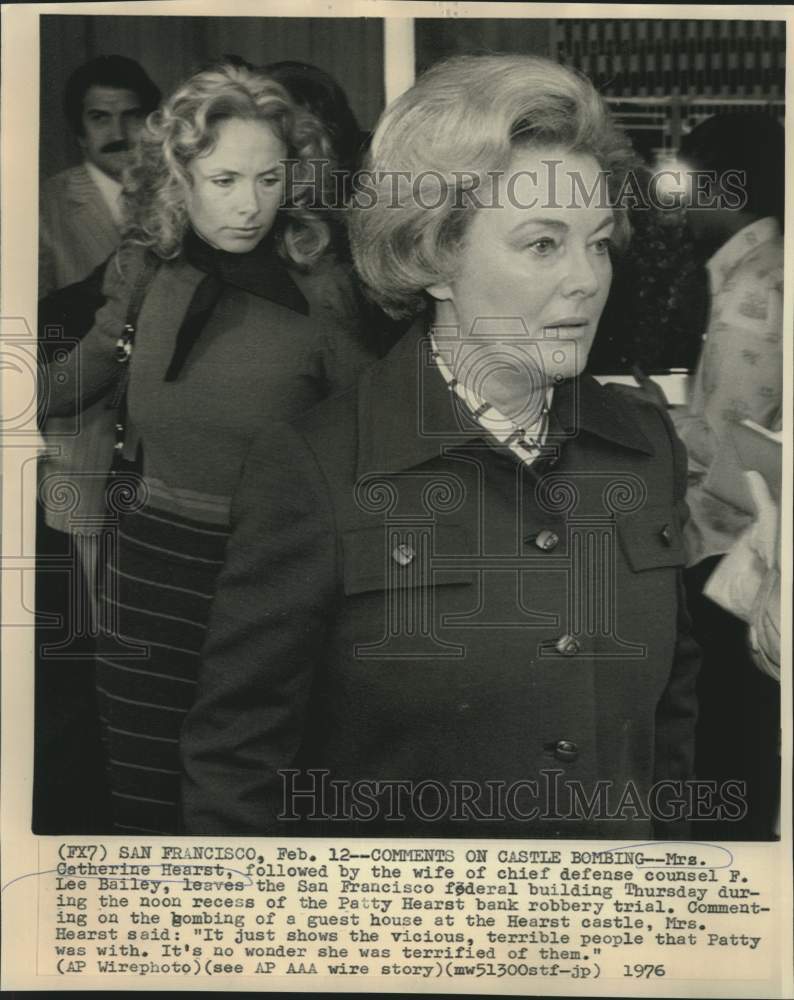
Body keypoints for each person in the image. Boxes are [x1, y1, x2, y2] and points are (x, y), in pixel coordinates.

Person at [182, 54, 701, 839]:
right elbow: (235, 774)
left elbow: (669, 736)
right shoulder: (315, 470)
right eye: (542, 244)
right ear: (433, 257)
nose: (587, 280)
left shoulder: (644, 446)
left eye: (597, 243)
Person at [44, 60, 375, 835]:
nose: (250, 205)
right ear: (178, 178)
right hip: (146, 570)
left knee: (247, 811)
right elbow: (75, 379)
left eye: (269, 178)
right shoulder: (144, 268)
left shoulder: (326, 287)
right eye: (225, 180)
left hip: (271, 580)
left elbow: (373, 438)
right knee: (143, 800)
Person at [672, 113, 784, 840]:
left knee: (728, 743)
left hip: (735, 550)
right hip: (745, 546)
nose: (681, 205)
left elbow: (731, 441)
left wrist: (656, 427)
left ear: (726, 187)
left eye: (690, 184)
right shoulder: (757, 269)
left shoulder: (757, 284)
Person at [39, 54, 161, 298]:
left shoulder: (179, 193)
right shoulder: (41, 209)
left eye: (132, 116)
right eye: (100, 118)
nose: (118, 135)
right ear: (80, 134)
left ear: (152, 125)